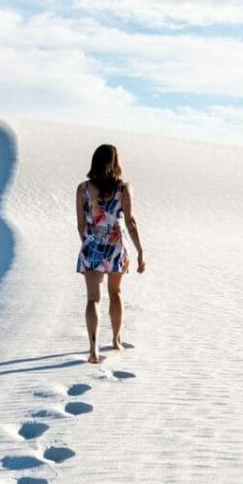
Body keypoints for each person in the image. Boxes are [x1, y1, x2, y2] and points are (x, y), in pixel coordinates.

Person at [75, 144, 144, 364]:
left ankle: (93, 350)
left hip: (92, 245)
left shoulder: (83, 189)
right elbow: (130, 221)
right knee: (116, 293)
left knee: (93, 298)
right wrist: (140, 251)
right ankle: (116, 340)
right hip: (115, 246)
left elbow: (80, 225)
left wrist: (90, 245)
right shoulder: (123, 188)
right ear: (115, 162)